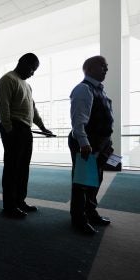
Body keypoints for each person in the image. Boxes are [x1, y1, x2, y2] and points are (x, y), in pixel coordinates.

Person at [0, 53, 52, 218]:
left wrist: (42, 127)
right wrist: (8, 129)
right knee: (12, 168)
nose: (33, 73)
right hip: (13, 127)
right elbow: (2, 106)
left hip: (25, 129)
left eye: (35, 70)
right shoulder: (8, 79)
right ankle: (9, 206)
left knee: (23, 168)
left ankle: (19, 201)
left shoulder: (27, 86)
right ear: (21, 63)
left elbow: (32, 110)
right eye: (32, 68)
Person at [68, 55, 113, 234]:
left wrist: (108, 142)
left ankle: (90, 212)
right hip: (87, 143)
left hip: (100, 143)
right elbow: (78, 120)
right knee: (82, 183)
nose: (106, 69)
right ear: (89, 68)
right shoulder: (83, 89)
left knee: (95, 180)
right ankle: (79, 219)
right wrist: (84, 143)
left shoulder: (99, 90)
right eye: (103, 66)